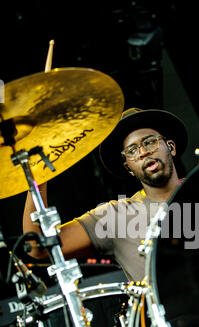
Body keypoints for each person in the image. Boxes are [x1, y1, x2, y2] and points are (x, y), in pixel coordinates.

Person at [23, 108, 188, 281]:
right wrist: (38, 179)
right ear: (128, 168)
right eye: (131, 151)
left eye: (149, 142)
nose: (143, 152)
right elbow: (37, 247)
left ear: (171, 147)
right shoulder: (116, 216)